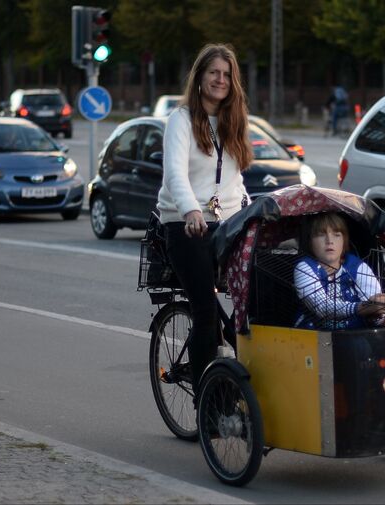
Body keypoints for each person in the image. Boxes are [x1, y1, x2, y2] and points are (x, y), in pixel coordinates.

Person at [156, 43, 253, 401]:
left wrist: (256, 214)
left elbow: (235, 183)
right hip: (184, 226)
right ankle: (205, 402)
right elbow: (175, 176)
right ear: (199, 77)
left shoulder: (233, 121)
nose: (221, 80)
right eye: (214, 72)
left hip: (224, 226)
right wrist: (190, 210)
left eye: (227, 75)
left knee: (255, 303)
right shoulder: (180, 120)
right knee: (205, 311)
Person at [294, 212, 385, 330]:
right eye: (321, 235)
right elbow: (322, 307)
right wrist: (361, 308)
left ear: (344, 241)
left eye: (336, 235)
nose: (329, 241)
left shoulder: (357, 266)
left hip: (353, 334)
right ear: (310, 242)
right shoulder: (304, 267)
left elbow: (378, 314)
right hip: (313, 336)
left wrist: (377, 312)